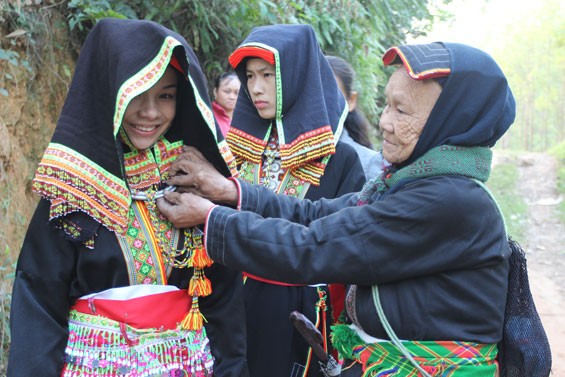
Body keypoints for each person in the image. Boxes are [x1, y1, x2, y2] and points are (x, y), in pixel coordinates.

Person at [158, 41, 517, 376]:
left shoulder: (447, 200)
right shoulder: (407, 183)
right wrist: (230, 191)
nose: (385, 123)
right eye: (387, 105)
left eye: (402, 110)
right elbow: (316, 215)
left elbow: (315, 245)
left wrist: (210, 219)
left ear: (451, 121)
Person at [8, 18, 248, 377]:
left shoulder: (194, 182)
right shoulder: (71, 189)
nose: (150, 112)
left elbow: (224, 305)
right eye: (136, 94)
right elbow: (40, 306)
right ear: (110, 94)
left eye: (166, 95)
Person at [222, 24, 365, 377]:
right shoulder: (236, 152)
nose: (255, 88)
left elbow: (346, 245)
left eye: (268, 75)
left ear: (297, 76)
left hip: (301, 319)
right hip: (235, 309)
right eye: (250, 76)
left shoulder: (340, 159)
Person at [326, 55, 389, 181]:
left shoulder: (368, 164)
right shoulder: (280, 153)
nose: (320, 104)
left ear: (351, 101)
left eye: (331, 95)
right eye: (312, 93)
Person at [212, 71, 241, 137]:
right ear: (215, 92)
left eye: (237, 93)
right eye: (227, 92)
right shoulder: (208, 117)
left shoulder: (245, 119)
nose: (232, 97)